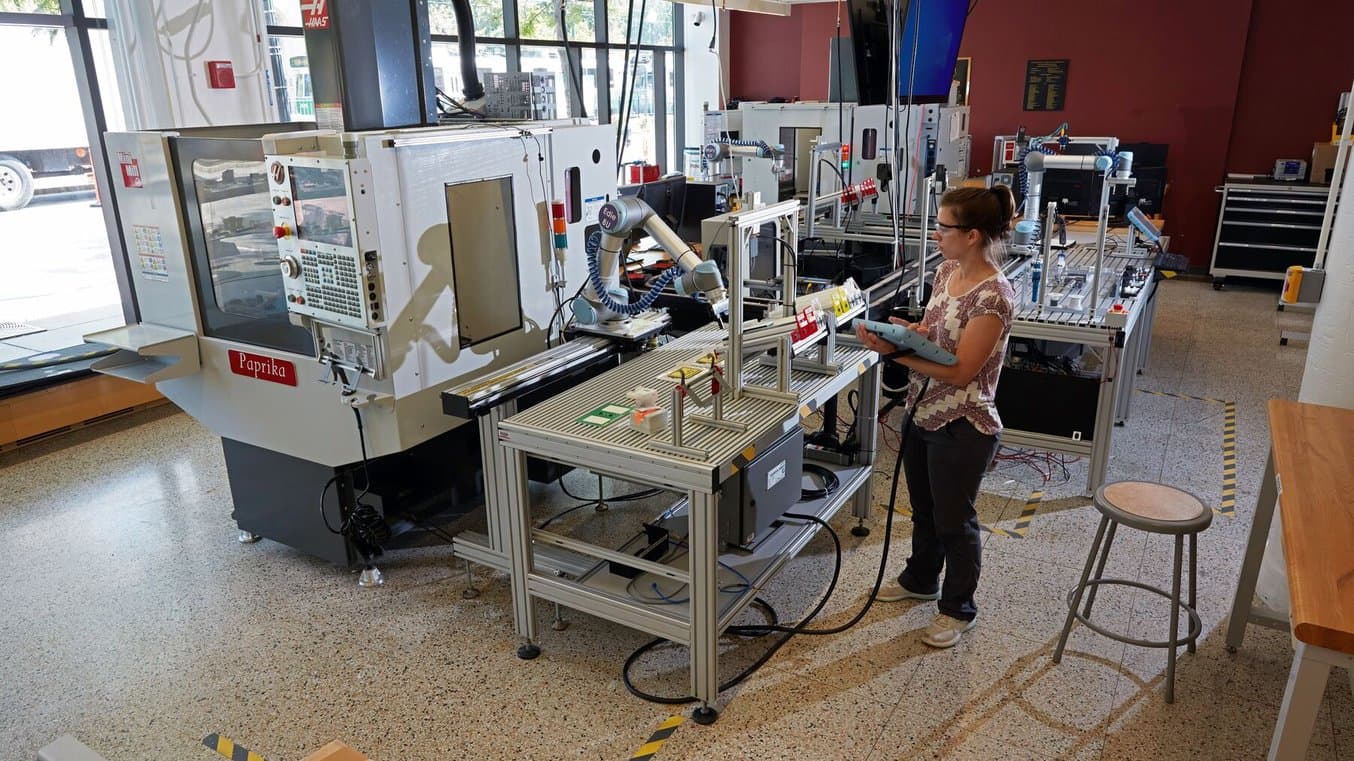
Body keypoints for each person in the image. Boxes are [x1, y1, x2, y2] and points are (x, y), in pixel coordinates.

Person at [854, 186, 1017, 648]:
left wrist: (896, 355)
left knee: (954, 519)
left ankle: (958, 608)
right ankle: (921, 579)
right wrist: (908, 332)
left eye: (943, 227)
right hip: (923, 411)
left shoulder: (994, 298)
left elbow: (964, 369)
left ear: (970, 235)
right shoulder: (946, 271)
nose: (935, 234)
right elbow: (934, 332)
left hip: (964, 424)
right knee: (924, 510)